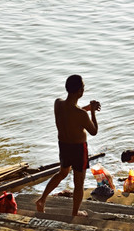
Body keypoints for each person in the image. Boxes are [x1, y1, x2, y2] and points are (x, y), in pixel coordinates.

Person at [35, 75, 101, 217]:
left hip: (64, 145)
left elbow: (70, 115)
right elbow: (94, 131)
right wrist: (93, 113)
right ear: (79, 91)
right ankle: (75, 213)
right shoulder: (81, 114)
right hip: (78, 149)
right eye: (83, 87)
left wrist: (86, 109)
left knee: (62, 173)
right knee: (79, 183)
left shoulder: (58, 103)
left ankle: (41, 200)